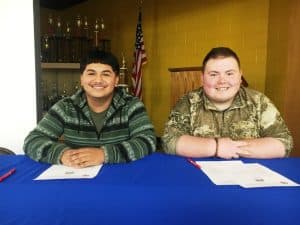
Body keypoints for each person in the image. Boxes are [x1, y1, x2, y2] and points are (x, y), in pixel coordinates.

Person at [24, 49, 156, 167]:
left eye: (106, 74)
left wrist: (103, 155)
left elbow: (147, 140)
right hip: (76, 179)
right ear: (81, 79)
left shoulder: (131, 105)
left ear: (116, 80)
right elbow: (33, 140)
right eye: (91, 73)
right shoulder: (65, 107)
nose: (98, 80)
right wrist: (62, 154)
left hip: (120, 179)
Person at [162, 47, 293, 159]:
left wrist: (232, 148)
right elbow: (169, 141)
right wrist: (217, 147)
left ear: (240, 76)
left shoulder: (259, 101)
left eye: (229, 73)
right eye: (213, 74)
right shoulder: (188, 102)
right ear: (202, 78)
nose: (222, 81)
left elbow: (284, 143)